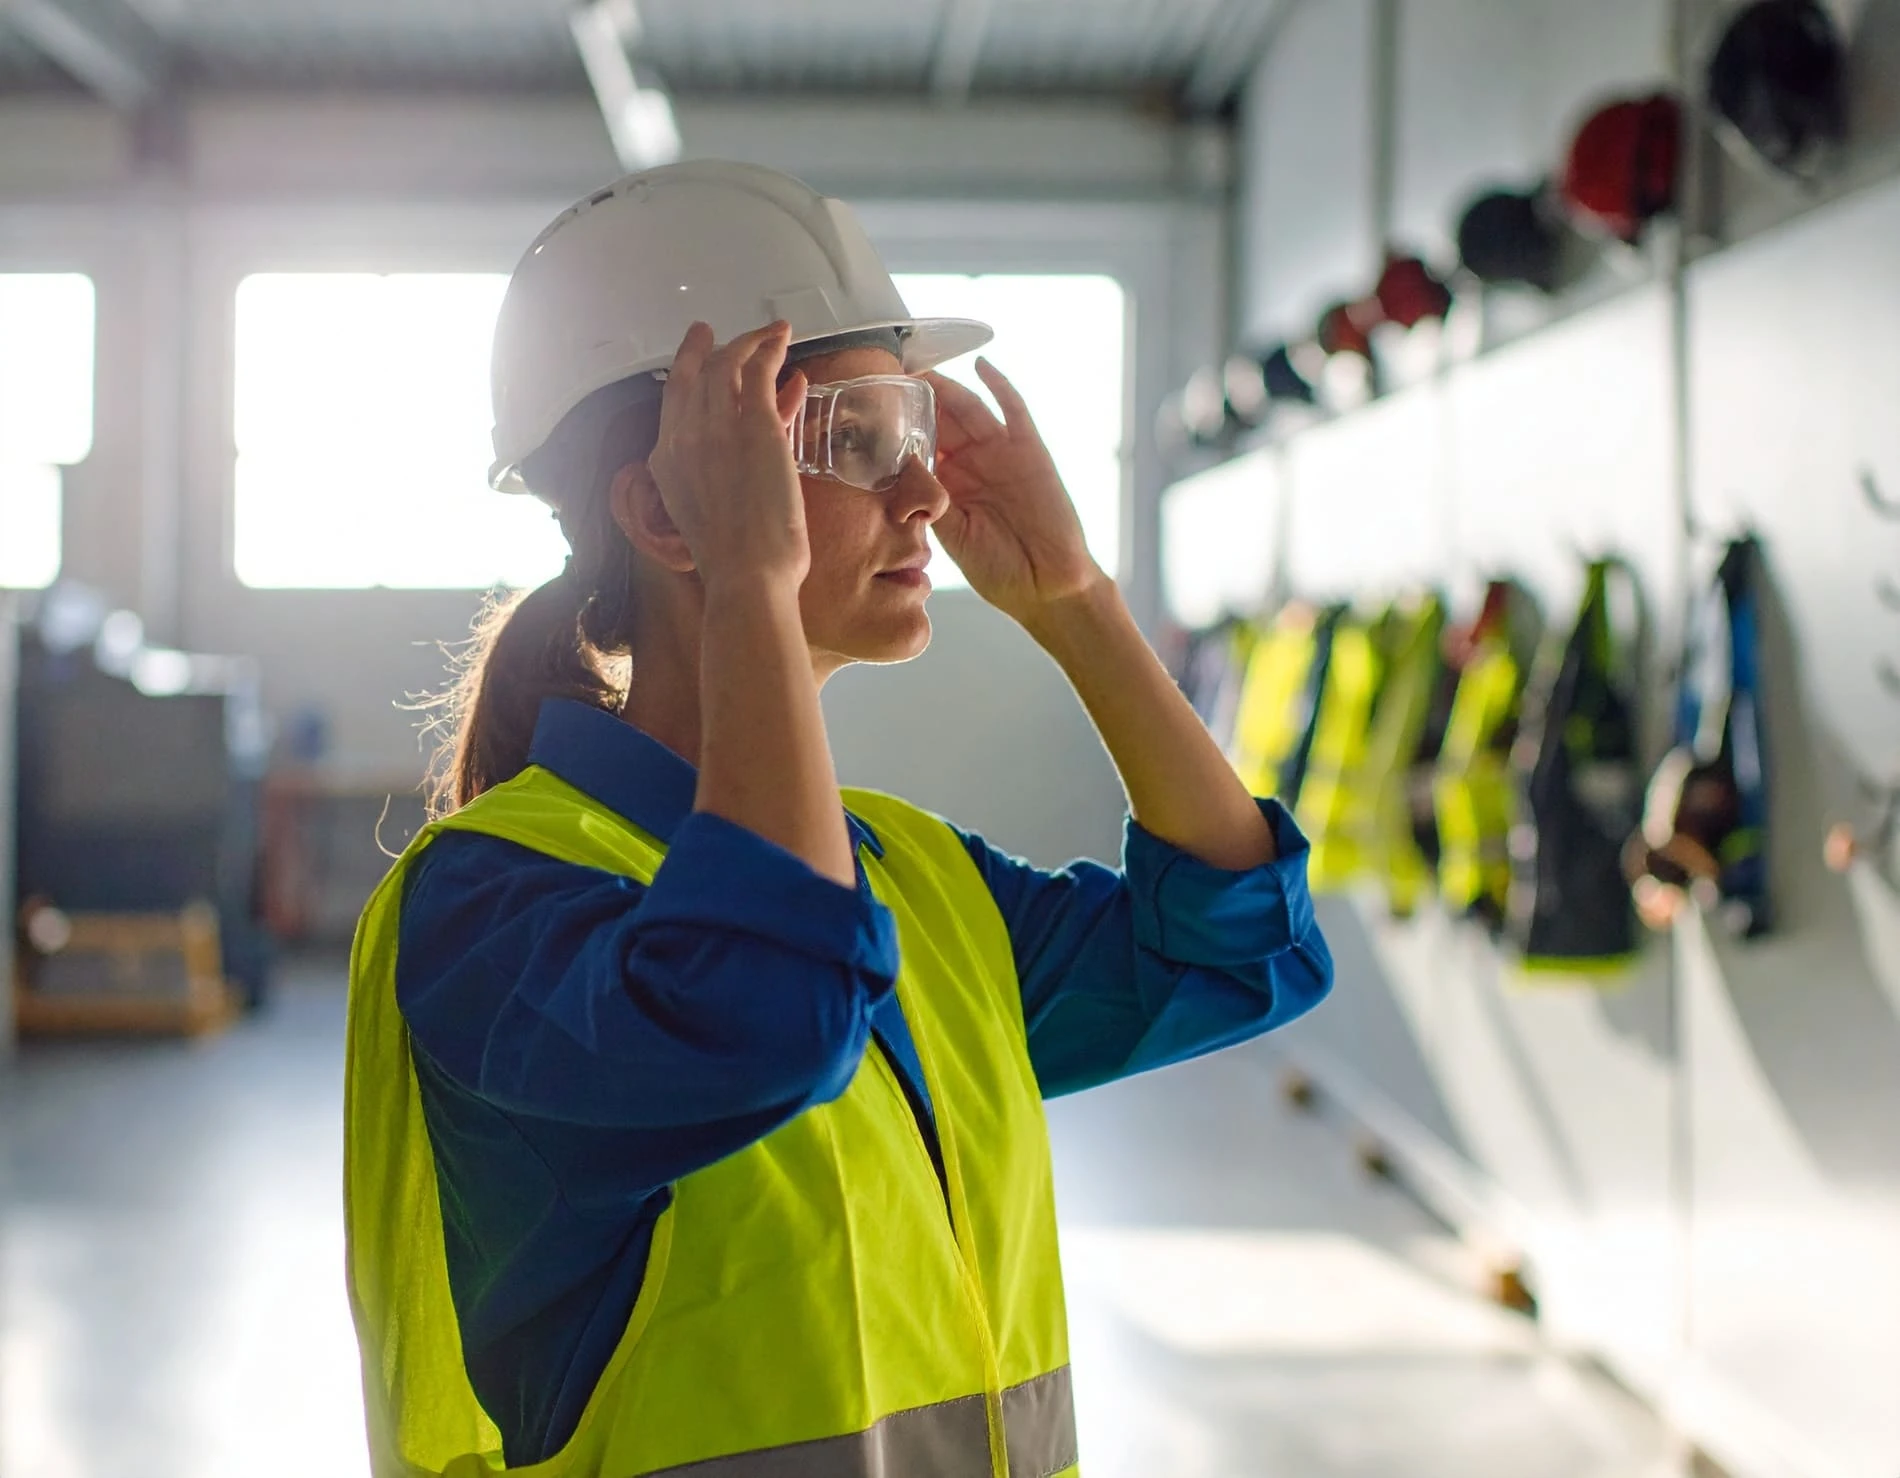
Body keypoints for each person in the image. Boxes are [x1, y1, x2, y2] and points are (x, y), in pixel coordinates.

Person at [343, 159, 1334, 1478]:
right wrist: (752, 576)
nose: (923, 493)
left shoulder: (907, 876)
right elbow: (767, 1009)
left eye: (912, 431)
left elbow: (1237, 947)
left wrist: (1077, 598)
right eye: (855, 439)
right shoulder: (492, 908)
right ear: (658, 509)